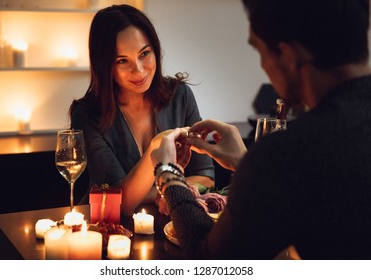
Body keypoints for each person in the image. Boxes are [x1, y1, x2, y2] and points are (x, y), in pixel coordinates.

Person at [150, 0, 371, 259]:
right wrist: (246, 163)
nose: (264, 67)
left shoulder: (291, 152)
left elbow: (210, 259)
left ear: (288, 56)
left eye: (260, 52)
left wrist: (168, 174)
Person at [69, 4, 214, 216]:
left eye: (144, 53)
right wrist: (157, 148)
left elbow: (206, 178)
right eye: (122, 61)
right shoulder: (87, 115)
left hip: (172, 227)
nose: (138, 70)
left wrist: (150, 192)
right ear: (104, 66)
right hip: (109, 231)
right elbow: (120, 204)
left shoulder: (179, 95)